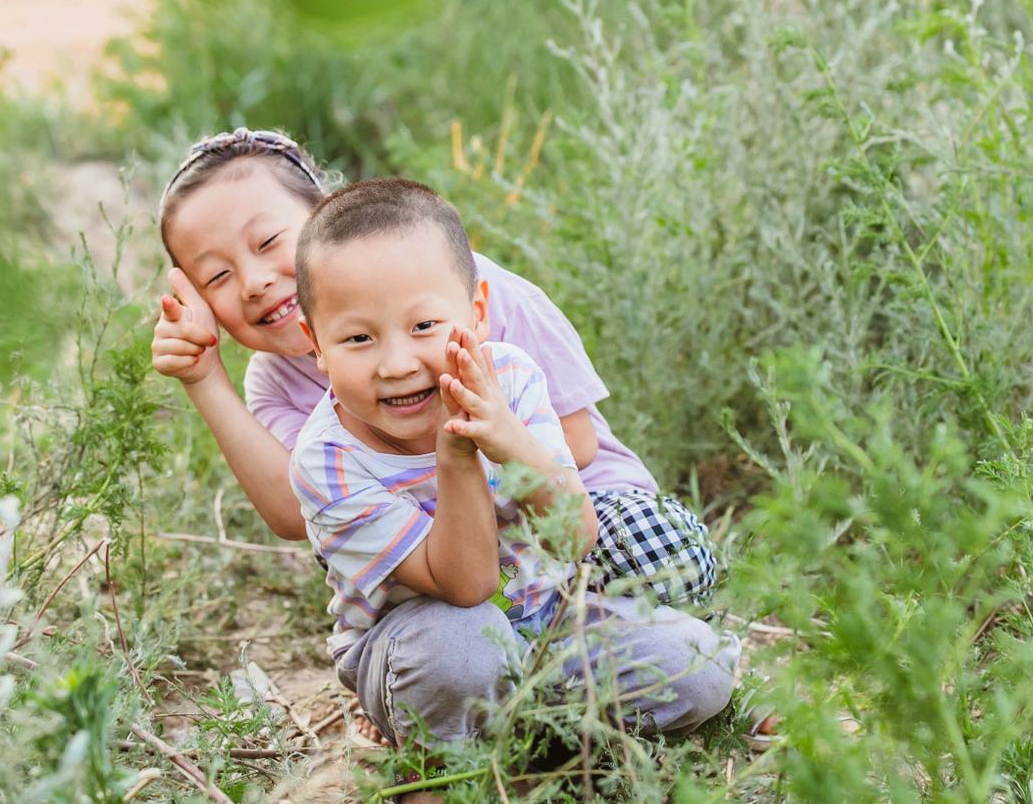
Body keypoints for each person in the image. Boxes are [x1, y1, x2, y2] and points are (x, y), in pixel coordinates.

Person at [152, 128, 717, 611]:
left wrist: (472, 455)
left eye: (269, 241)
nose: (253, 282)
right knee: (440, 633)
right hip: (436, 562)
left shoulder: (467, 291)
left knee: (659, 559)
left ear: (329, 216)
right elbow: (296, 511)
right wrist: (204, 379)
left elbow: (579, 441)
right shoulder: (274, 381)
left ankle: (676, 669)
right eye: (216, 277)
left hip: (578, 513)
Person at [286, 177, 739, 745]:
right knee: (461, 647)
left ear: (476, 312)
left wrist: (507, 438)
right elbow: (468, 585)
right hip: (418, 642)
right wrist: (458, 457)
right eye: (358, 339)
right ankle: (442, 757)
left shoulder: (512, 376)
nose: (397, 363)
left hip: (546, 623)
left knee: (699, 664)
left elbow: (575, 535)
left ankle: (534, 731)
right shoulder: (327, 460)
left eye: (423, 326)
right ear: (315, 344)